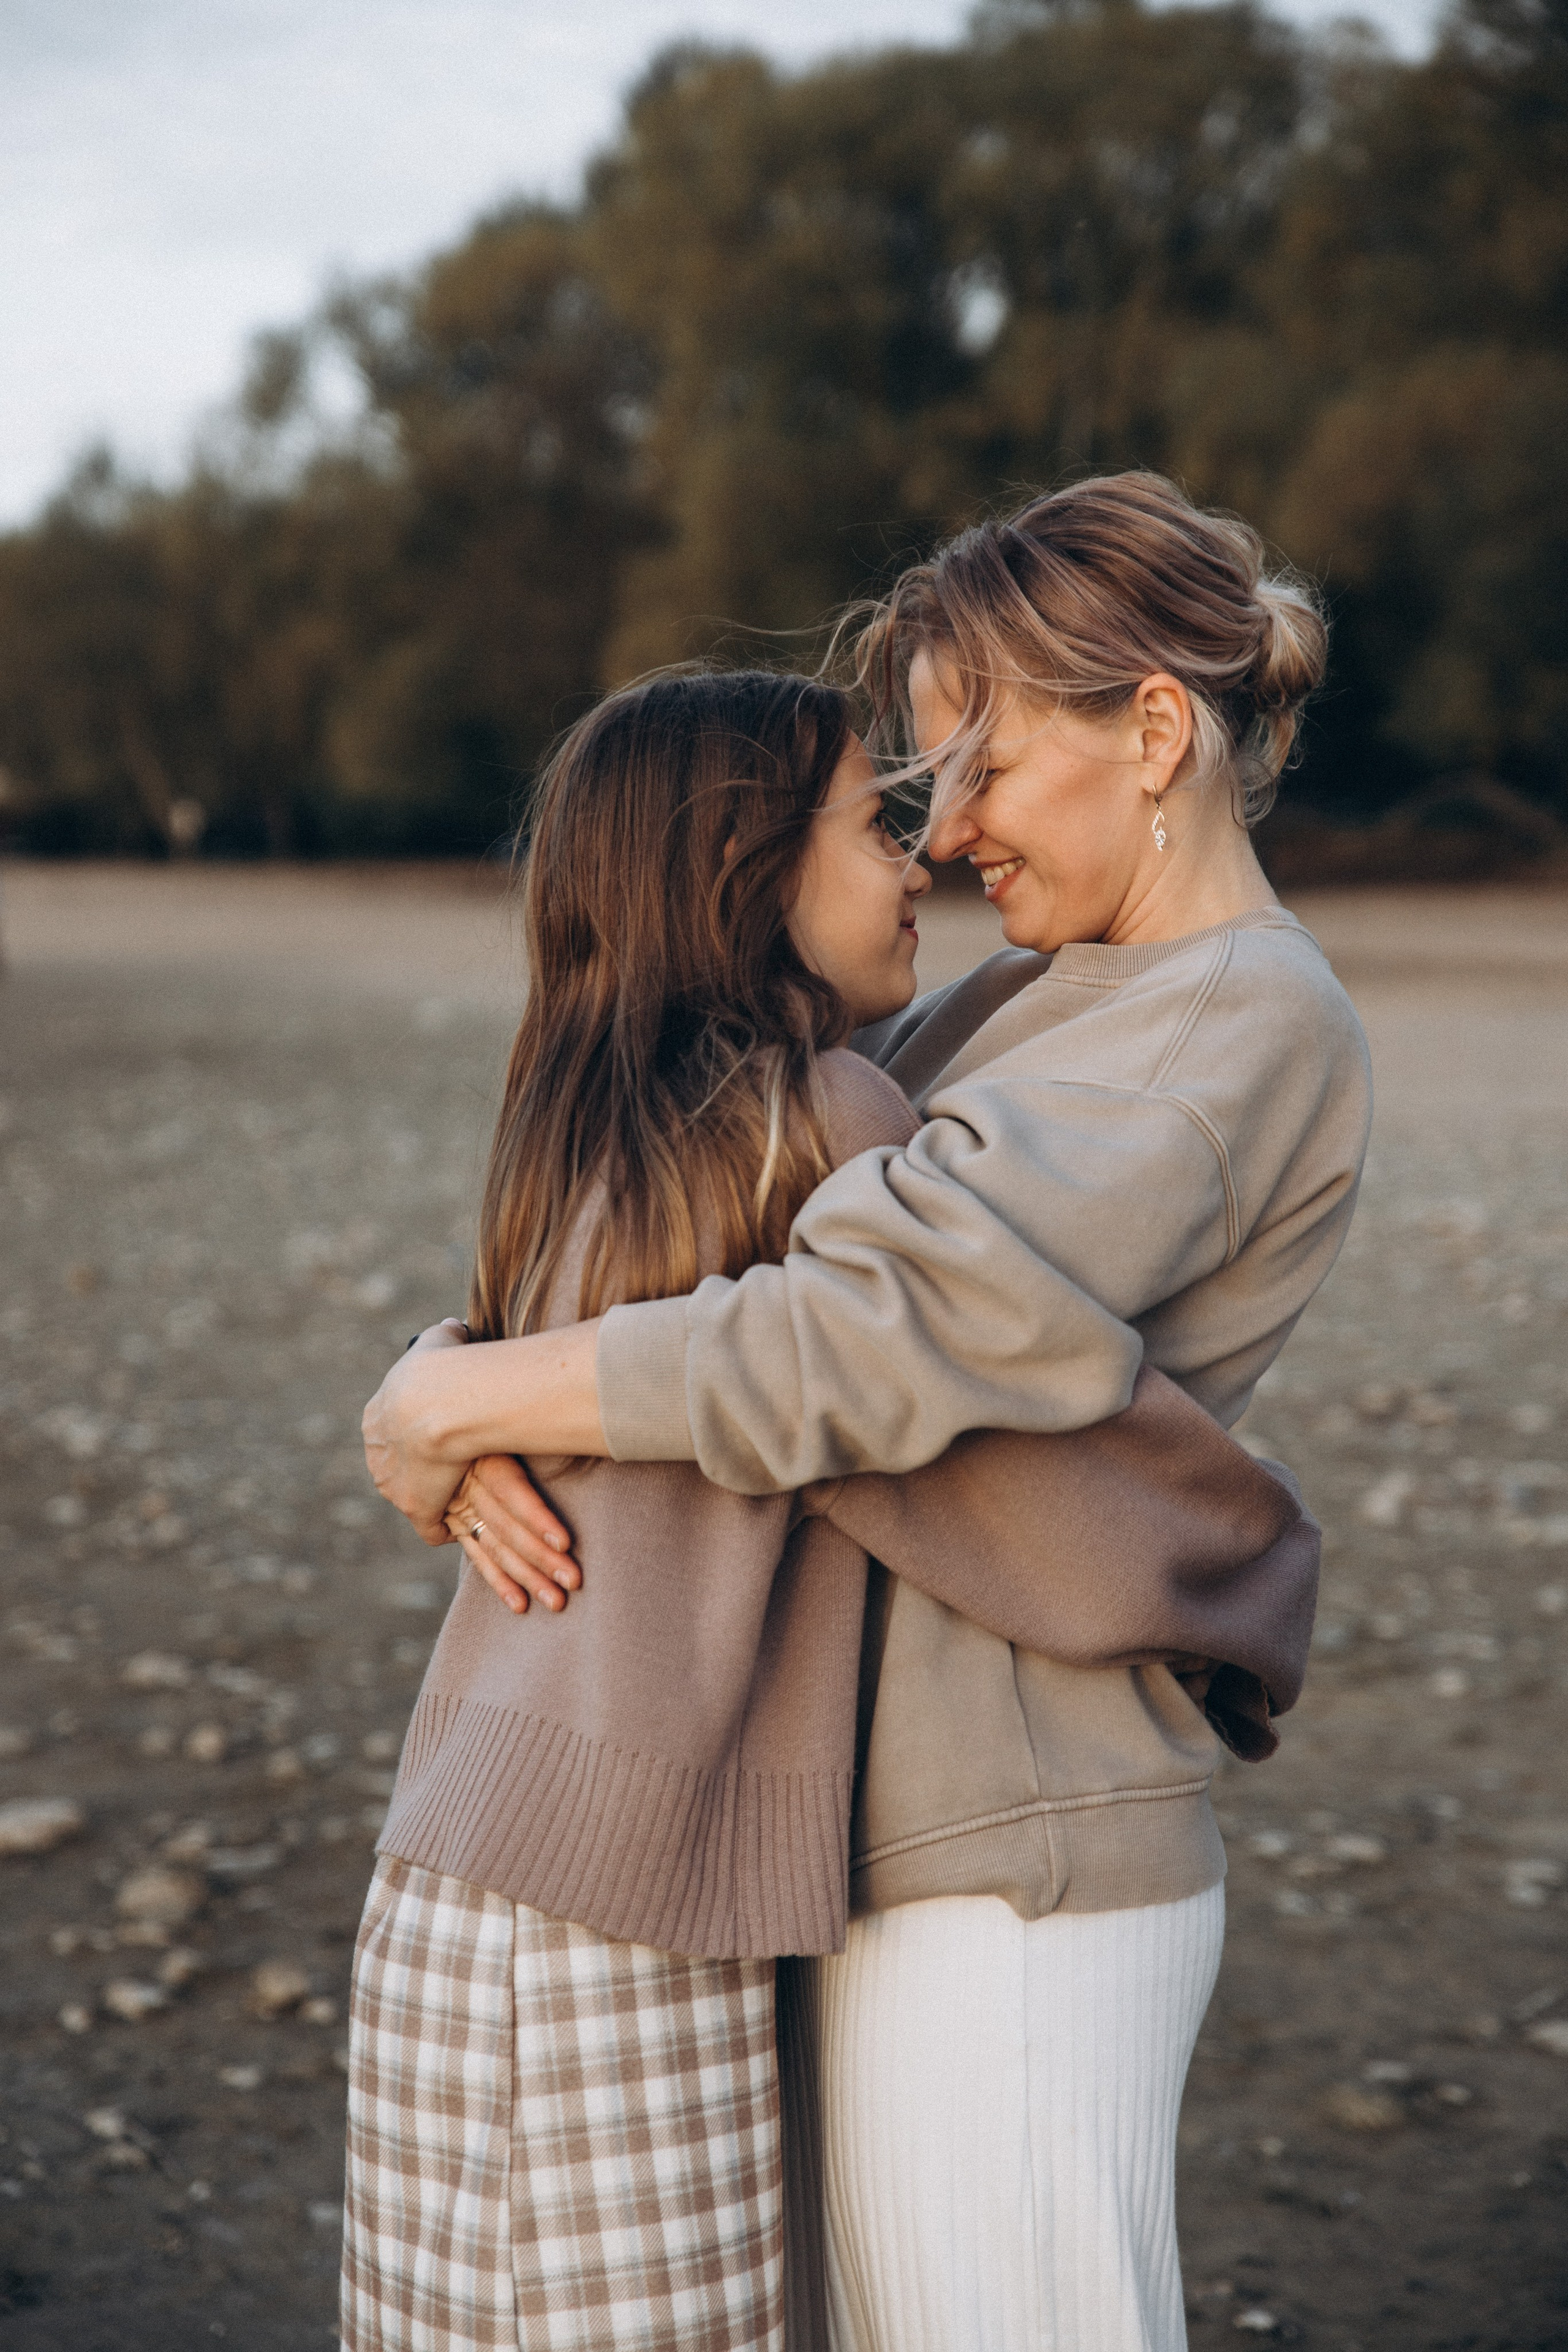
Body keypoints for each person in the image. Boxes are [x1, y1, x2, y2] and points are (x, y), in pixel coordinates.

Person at [364, 472, 1372, 2352]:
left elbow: (860, 1335)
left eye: (977, 769)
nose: (949, 833)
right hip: (861, 1838)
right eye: (916, 790)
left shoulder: (1241, 1020)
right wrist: (443, 1367)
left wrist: (469, 1392)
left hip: (1023, 1856)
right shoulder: (1013, 1012)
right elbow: (694, 1234)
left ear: (1154, 731)